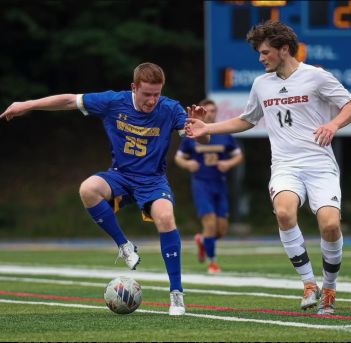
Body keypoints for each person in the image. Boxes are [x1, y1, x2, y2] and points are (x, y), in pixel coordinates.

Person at [0, 62, 208, 316]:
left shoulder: (170, 108)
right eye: (147, 94)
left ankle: (176, 294)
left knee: (165, 217)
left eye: (157, 93)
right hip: (120, 176)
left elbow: (199, 138)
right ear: (134, 88)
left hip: (152, 181)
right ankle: (124, 246)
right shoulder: (113, 102)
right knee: (88, 189)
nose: (152, 100)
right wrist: (28, 105)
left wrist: (200, 125)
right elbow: (68, 101)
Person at [185, 21, 351, 315]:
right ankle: (308, 284)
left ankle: (328, 288)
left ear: (284, 49)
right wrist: (208, 128)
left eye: (265, 52)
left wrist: (332, 124)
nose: (260, 58)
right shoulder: (261, 85)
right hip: (285, 165)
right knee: (283, 212)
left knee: (330, 225)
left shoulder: (316, 77)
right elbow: (247, 119)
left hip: (319, 164)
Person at [174, 99, 243, 273]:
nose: (211, 113)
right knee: (210, 224)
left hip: (219, 184)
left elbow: (238, 156)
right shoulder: (193, 134)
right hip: (201, 184)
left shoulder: (224, 134)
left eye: (213, 110)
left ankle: (203, 241)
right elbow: (178, 157)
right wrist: (188, 165)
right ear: (203, 112)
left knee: (221, 230)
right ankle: (212, 263)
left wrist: (228, 163)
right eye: (208, 110)